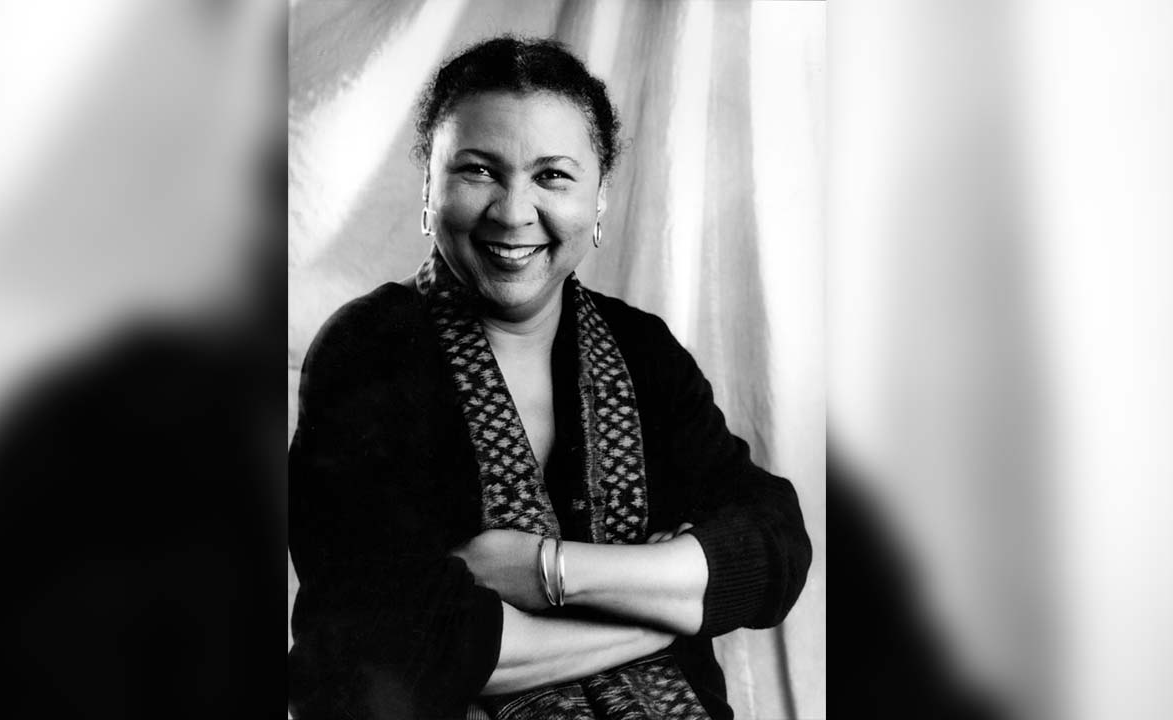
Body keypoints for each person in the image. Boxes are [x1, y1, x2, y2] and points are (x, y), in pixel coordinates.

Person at [287, 36, 811, 720]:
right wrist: (667, 609)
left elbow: (772, 546)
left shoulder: (643, 350)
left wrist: (547, 571)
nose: (512, 212)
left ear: (599, 199)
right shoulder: (366, 352)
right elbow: (388, 646)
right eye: (478, 170)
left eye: (553, 176)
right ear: (429, 188)